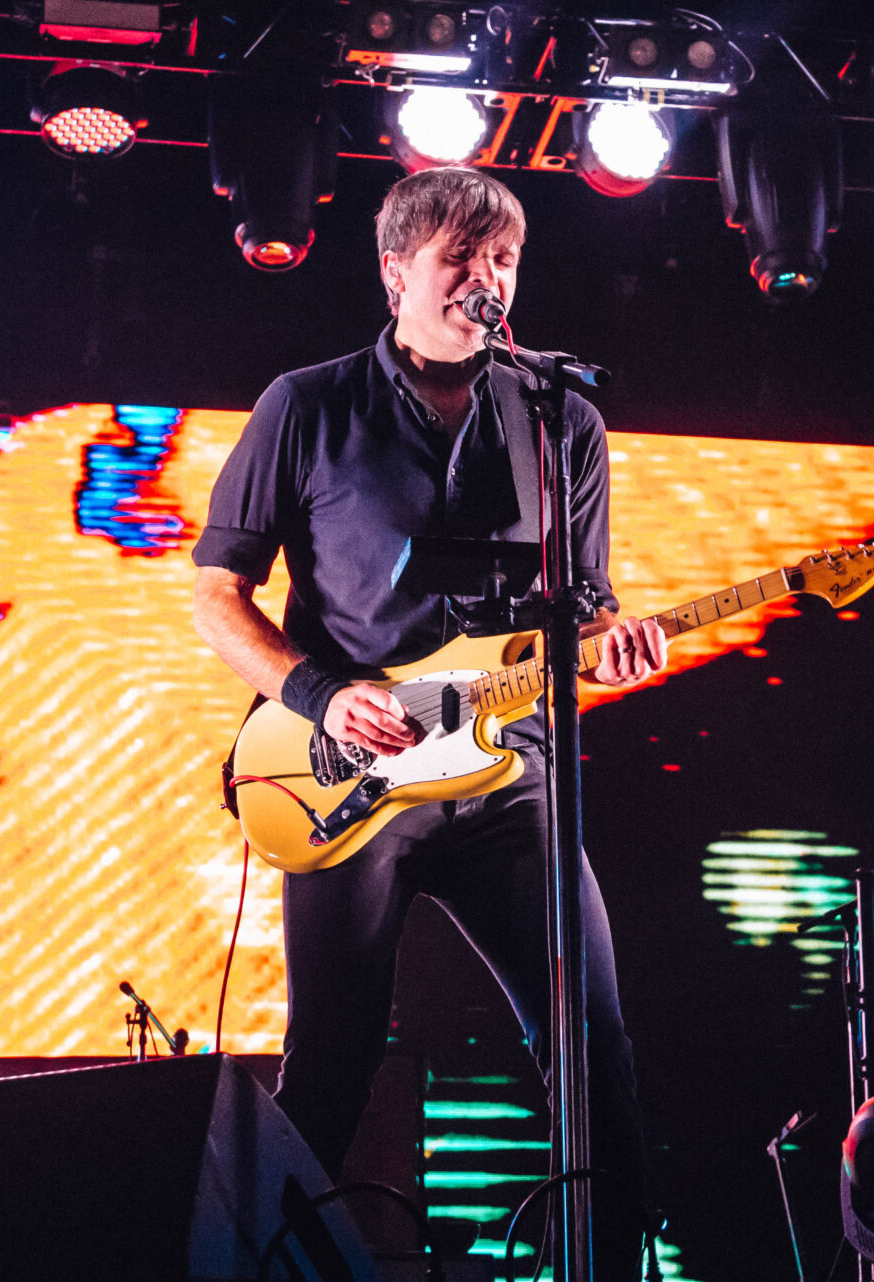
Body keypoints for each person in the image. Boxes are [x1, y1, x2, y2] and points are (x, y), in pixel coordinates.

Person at [190, 166, 666, 1277]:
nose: (486, 279)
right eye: (461, 257)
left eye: (503, 259)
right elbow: (217, 595)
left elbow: (584, 611)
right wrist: (320, 694)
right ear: (396, 270)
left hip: (511, 782)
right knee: (333, 1059)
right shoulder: (306, 406)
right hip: (352, 774)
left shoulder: (564, 419)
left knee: (593, 1047)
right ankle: (256, 1265)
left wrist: (614, 643)